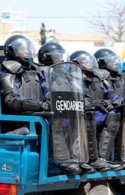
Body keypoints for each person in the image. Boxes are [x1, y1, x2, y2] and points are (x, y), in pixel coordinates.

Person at [38, 42, 96, 175]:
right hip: (54, 110)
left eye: (62, 56)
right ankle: (64, 161)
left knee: (80, 121)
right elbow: (47, 92)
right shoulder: (45, 73)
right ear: (47, 57)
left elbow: (78, 91)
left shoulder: (67, 75)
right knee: (58, 122)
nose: (62, 60)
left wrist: (85, 101)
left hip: (68, 108)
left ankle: (78, 158)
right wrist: (59, 100)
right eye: (57, 57)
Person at [70, 50, 125, 172]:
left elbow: (111, 94)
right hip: (80, 115)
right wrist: (101, 103)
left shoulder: (99, 78)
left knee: (114, 115)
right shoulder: (75, 78)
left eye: (89, 61)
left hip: (97, 112)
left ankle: (103, 159)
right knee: (92, 117)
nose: (89, 63)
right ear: (76, 63)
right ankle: (93, 160)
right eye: (85, 61)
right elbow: (82, 98)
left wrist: (121, 101)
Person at [0, 35, 50, 134]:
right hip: (18, 121)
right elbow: (12, 100)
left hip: (38, 117)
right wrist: (38, 105)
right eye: (22, 49)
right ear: (11, 51)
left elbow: (47, 91)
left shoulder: (36, 70)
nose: (27, 51)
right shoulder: (8, 70)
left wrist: (53, 101)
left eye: (27, 48)